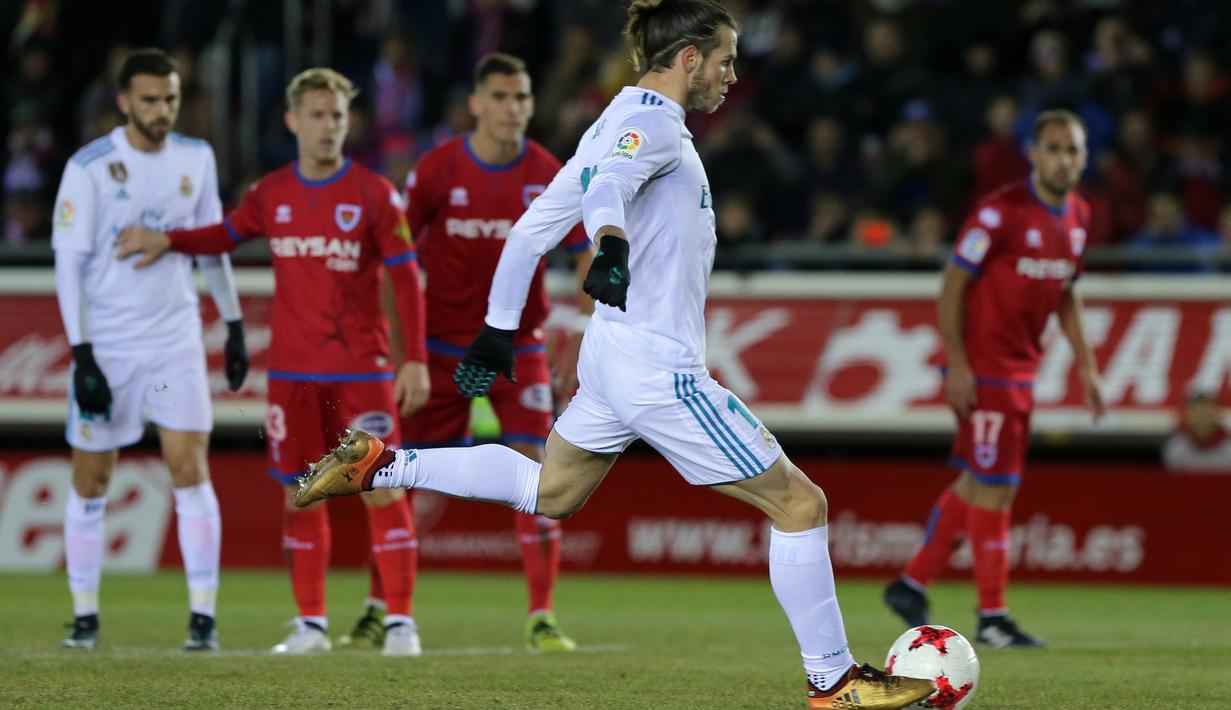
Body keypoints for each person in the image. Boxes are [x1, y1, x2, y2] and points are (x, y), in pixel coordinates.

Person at [291, 2, 934, 707]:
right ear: (688, 58)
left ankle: (385, 464)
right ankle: (834, 681)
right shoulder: (651, 124)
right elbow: (610, 190)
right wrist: (611, 245)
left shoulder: (608, 124)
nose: (731, 75)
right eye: (725, 60)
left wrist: (498, 328)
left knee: (551, 492)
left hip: (610, 357)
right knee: (800, 504)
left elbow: (528, 233)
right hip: (657, 366)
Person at [117, 68, 429, 657]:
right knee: (302, 492)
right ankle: (310, 625)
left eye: (337, 116)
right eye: (316, 115)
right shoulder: (272, 193)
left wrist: (413, 359)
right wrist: (169, 240)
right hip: (292, 374)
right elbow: (225, 234)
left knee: (382, 487)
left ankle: (400, 625)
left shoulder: (374, 194)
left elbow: (407, 278)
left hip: (362, 371)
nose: (328, 127)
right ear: (292, 121)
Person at [354, 51, 593, 652]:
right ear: (477, 105)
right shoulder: (437, 170)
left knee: (540, 470)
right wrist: (401, 349)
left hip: (518, 349)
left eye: (522, 98)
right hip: (441, 351)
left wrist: (582, 328)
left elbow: (586, 251)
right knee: (395, 468)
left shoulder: (547, 172)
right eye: (502, 97)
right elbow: (396, 257)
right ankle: (380, 606)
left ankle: (541, 616)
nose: (513, 109)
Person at [883, 109, 1106, 648]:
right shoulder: (999, 212)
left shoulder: (1079, 215)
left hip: (1021, 369)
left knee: (979, 481)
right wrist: (958, 364)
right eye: (1053, 148)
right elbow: (952, 285)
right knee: (997, 489)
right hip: (986, 369)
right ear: (1033, 153)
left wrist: (1087, 363)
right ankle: (993, 617)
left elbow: (1066, 291)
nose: (1063, 159)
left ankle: (911, 583)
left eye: (1072, 150)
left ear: (1084, 158)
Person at [53, 48, 247, 652]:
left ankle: (203, 619)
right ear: (124, 102)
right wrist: (82, 353)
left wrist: (234, 321)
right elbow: (68, 265)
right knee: (92, 478)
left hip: (172, 347)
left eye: (170, 99)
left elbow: (212, 245)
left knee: (189, 468)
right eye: (150, 100)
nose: (162, 110)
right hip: (109, 349)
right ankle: (85, 616)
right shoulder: (89, 167)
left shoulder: (196, 157)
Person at [1162, 390, 1231, 472]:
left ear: (1217, 412)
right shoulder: (1176, 446)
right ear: (1188, 413)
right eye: (1197, 409)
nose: (1202, 414)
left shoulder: (1228, 445)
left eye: (1207, 409)